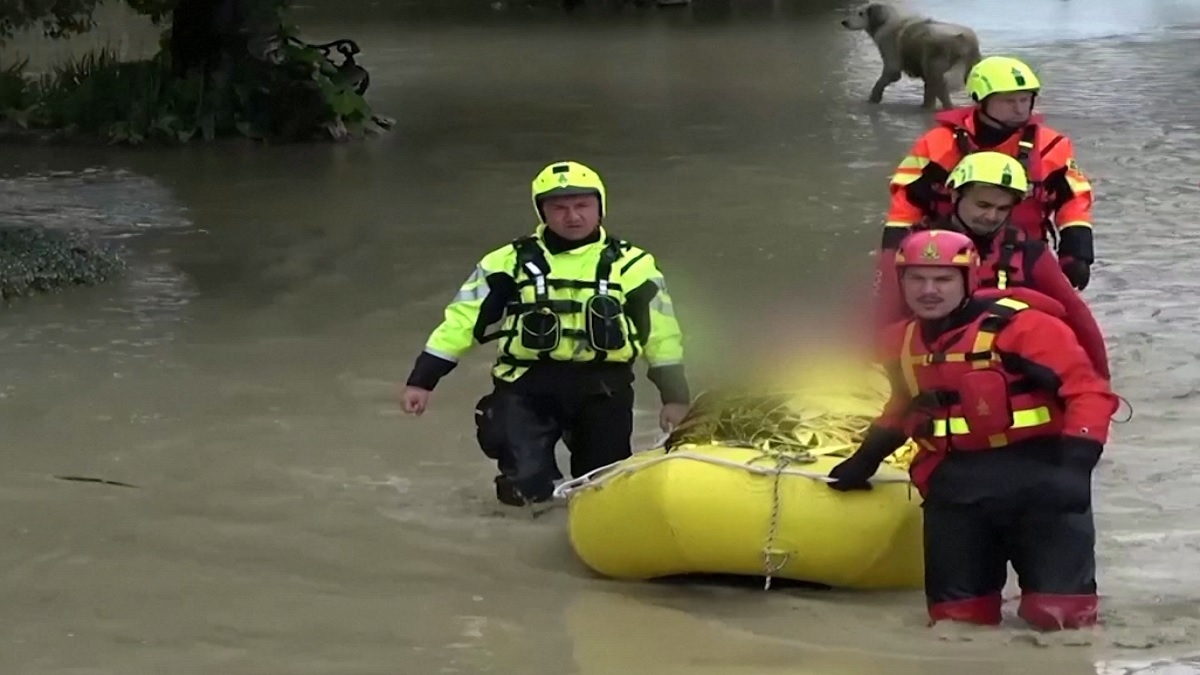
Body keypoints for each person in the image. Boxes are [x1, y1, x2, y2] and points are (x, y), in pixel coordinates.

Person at [829, 229, 1118, 631]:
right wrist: (865, 460)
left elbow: (1089, 394)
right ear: (901, 283)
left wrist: (1076, 470)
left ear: (968, 279)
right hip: (957, 490)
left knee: (1061, 621)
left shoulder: (1027, 328)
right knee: (956, 624)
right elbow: (905, 404)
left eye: (943, 279)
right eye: (917, 278)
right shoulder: (901, 342)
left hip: (1042, 485)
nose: (929, 290)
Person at [400, 160, 692, 507]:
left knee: (605, 488)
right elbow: (462, 321)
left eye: (583, 205)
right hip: (526, 386)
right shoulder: (505, 263)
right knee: (524, 486)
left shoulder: (634, 265)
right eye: (560, 208)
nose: (573, 217)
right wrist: (423, 379)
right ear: (542, 212)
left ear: (600, 206)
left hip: (602, 389)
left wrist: (674, 397)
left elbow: (661, 334)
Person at [873, 151, 1110, 379]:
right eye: (983, 205)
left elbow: (1077, 316)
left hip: (1008, 374)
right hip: (930, 373)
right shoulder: (913, 249)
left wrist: (1100, 382)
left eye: (1002, 209)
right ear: (955, 196)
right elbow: (886, 315)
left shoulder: (1030, 253)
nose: (991, 217)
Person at [878, 55, 1096, 291]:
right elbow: (906, 202)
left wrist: (1077, 252)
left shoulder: (1051, 146)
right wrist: (893, 256)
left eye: (1025, 100)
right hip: (946, 255)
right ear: (980, 101)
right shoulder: (936, 145)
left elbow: (1074, 200)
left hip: (1026, 255)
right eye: (1008, 101)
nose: (1020, 109)